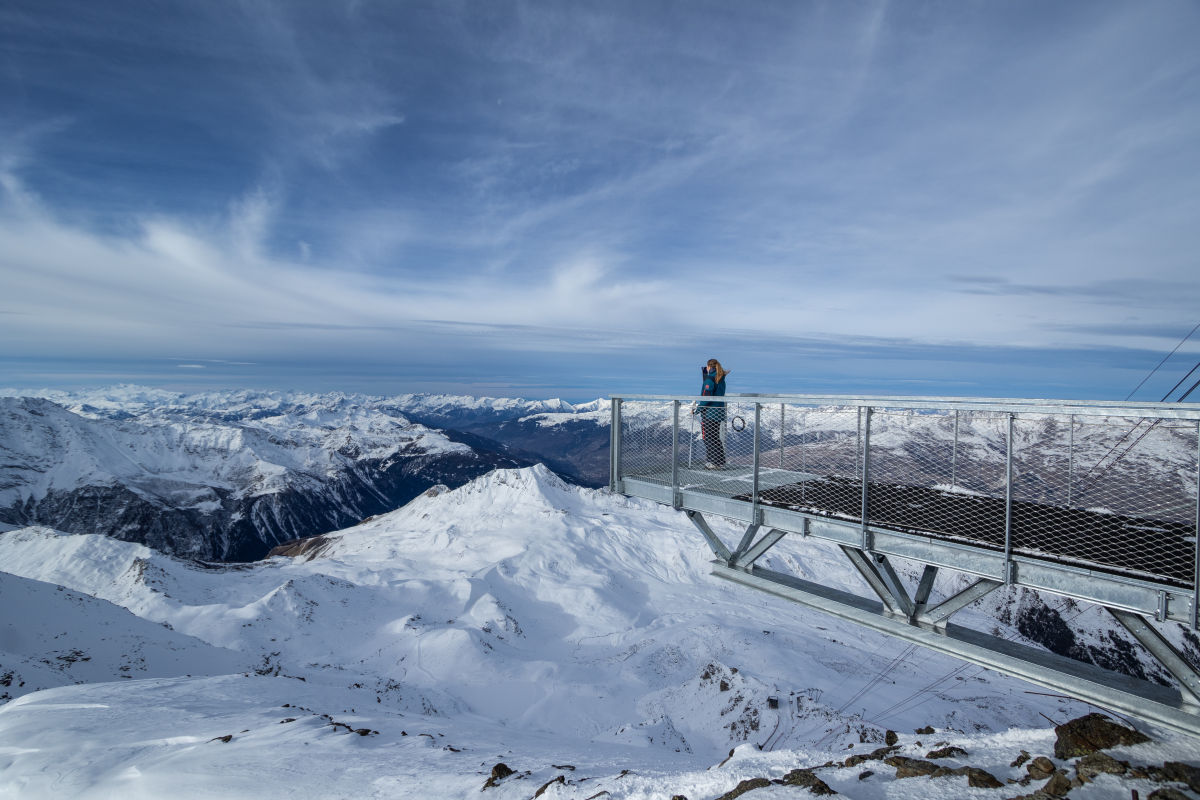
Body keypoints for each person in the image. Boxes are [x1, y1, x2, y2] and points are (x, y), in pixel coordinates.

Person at [697, 358, 729, 468]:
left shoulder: (709, 379)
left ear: (709, 367)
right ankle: (720, 462)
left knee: (708, 438)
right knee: (715, 437)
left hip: (709, 412)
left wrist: (699, 409)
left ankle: (713, 462)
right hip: (718, 412)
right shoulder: (720, 378)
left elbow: (706, 396)